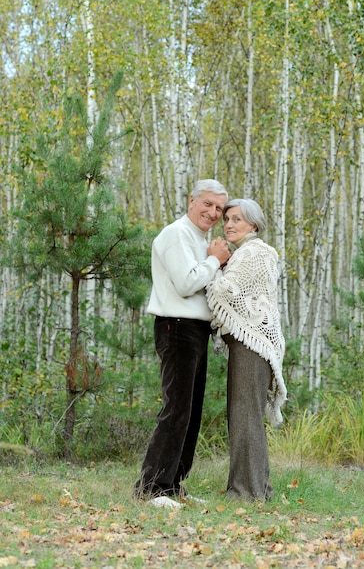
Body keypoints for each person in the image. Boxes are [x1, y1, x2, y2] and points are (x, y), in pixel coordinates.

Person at [134, 179, 230, 508]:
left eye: (219, 208)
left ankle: (173, 485)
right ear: (192, 201)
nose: (213, 213)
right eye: (207, 204)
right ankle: (152, 487)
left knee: (190, 412)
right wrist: (215, 260)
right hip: (176, 328)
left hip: (195, 330)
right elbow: (187, 283)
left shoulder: (201, 239)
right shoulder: (175, 234)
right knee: (176, 409)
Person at [206, 198, 287, 501]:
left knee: (245, 418)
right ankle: (256, 490)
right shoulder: (248, 253)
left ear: (253, 224)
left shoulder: (255, 252)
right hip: (249, 345)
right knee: (245, 417)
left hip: (253, 346)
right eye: (226, 219)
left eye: (237, 219)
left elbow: (223, 292)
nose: (228, 224)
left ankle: (246, 493)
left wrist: (212, 263)